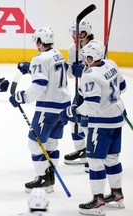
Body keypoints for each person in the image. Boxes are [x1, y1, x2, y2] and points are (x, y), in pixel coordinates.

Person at [60, 40, 126, 216]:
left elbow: (91, 105)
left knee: (96, 161)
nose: (83, 60)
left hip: (100, 123)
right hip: (116, 119)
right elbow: (123, 87)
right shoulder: (111, 64)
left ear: (90, 57)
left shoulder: (90, 76)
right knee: (112, 158)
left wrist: (71, 111)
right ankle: (117, 195)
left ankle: (98, 200)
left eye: (85, 57)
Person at [9, 27, 71, 192]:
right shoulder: (57, 53)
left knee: (34, 143)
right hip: (63, 106)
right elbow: (51, 71)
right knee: (51, 143)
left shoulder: (40, 59)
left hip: (48, 108)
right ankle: (50, 180)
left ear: (38, 41)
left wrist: (20, 97)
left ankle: (43, 178)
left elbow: (39, 85)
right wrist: (31, 68)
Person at [63, 19, 95, 166]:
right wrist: (72, 69)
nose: (74, 36)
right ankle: (81, 150)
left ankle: (93, 154)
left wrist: (83, 70)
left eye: (78, 33)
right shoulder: (72, 48)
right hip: (82, 90)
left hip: (94, 91)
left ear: (86, 32)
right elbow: (70, 74)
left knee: (88, 123)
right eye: (73, 33)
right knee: (73, 118)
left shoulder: (96, 47)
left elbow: (98, 71)